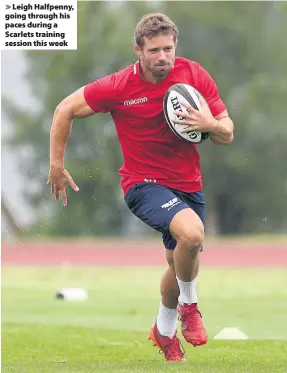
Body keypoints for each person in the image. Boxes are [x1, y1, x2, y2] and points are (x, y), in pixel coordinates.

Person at [47, 13, 234, 362]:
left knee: (178, 263)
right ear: (139, 51)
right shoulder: (119, 87)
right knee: (192, 236)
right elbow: (64, 109)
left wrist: (210, 123)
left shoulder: (193, 75)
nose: (163, 56)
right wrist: (56, 165)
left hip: (189, 185)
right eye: (155, 50)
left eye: (169, 48)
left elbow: (227, 132)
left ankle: (163, 331)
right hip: (143, 184)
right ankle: (190, 308)